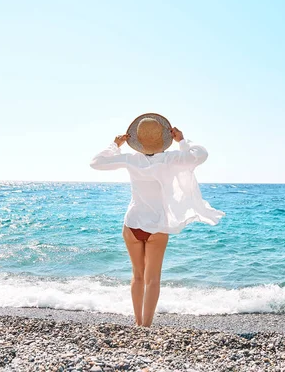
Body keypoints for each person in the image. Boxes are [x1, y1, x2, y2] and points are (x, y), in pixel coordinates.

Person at [90, 113, 224, 327]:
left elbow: (96, 162)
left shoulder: (130, 159)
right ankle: (146, 326)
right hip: (158, 225)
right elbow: (201, 154)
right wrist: (182, 141)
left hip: (132, 223)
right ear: (163, 138)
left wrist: (115, 145)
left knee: (138, 276)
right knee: (152, 279)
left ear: (137, 140)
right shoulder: (170, 159)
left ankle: (137, 323)